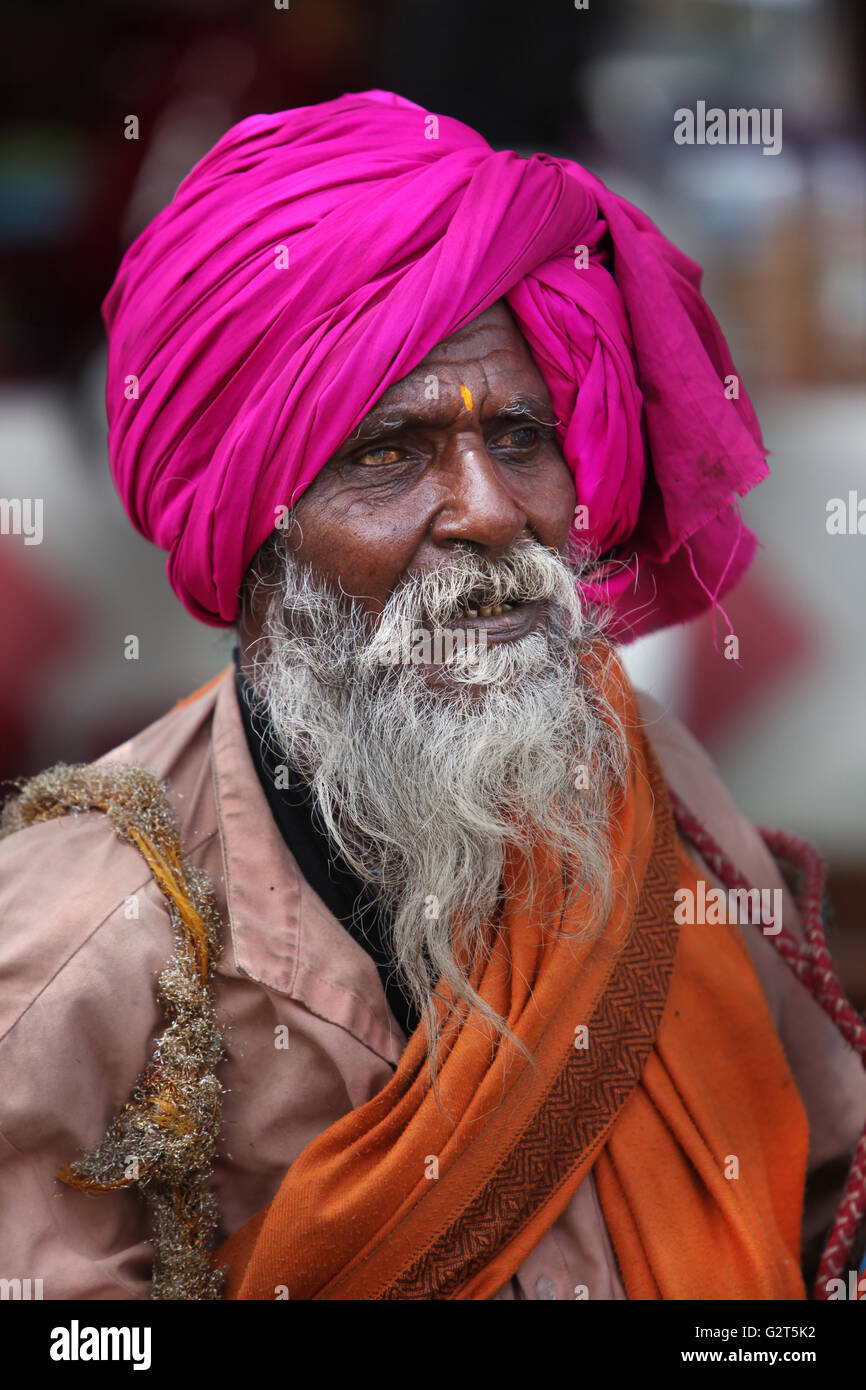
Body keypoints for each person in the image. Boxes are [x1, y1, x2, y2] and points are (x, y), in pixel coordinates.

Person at [1, 90, 863, 1302]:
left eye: (521, 435)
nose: (492, 511)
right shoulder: (81, 935)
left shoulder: (640, 776)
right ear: (253, 534)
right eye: (386, 453)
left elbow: (823, 1196)